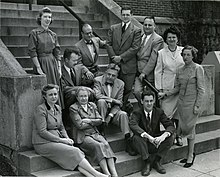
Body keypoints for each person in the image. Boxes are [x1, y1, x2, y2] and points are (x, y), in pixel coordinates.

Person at [32, 84, 108, 177]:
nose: (54, 97)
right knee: (74, 152)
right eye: (50, 95)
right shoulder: (41, 109)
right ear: (45, 96)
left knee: (74, 151)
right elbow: (42, 131)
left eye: (55, 94)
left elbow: (61, 127)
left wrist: (67, 138)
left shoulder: (58, 108)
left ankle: (91, 176)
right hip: (43, 143)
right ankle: (97, 174)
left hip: (57, 139)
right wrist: (61, 140)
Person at [159, 45, 205, 168]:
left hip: (192, 104)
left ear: (193, 56)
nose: (185, 57)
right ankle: (189, 154)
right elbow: (178, 87)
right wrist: (166, 93)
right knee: (183, 129)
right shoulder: (180, 69)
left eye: (188, 55)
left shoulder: (198, 68)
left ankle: (190, 155)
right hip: (181, 104)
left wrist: (197, 106)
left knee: (190, 130)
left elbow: (201, 89)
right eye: (184, 55)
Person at [69, 87, 118, 177]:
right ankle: (106, 173)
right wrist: (94, 121)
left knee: (106, 144)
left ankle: (114, 174)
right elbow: (80, 125)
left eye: (85, 96)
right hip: (83, 136)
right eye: (81, 96)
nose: (84, 98)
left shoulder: (92, 105)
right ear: (77, 97)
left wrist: (89, 120)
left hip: (94, 133)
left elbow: (100, 120)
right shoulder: (73, 108)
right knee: (98, 145)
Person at [93, 63, 136, 156]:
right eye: (108, 74)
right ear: (105, 73)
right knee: (101, 101)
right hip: (100, 111)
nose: (110, 77)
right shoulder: (97, 80)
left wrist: (110, 115)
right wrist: (113, 100)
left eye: (113, 76)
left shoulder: (120, 84)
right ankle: (102, 128)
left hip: (112, 111)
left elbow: (119, 103)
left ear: (116, 76)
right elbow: (97, 95)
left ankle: (128, 140)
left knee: (123, 114)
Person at [129, 90, 175, 176]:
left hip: (155, 142)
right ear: (142, 101)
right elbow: (133, 125)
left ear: (154, 101)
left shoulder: (159, 112)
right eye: (146, 101)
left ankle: (157, 161)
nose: (149, 103)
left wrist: (163, 137)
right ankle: (147, 162)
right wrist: (148, 136)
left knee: (171, 136)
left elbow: (170, 126)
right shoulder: (137, 112)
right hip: (143, 144)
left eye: (151, 101)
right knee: (136, 137)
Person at [154, 26, 185, 146]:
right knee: (167, 115)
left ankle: (179, 135)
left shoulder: (183, 51)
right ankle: (170, 136)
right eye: (169, 37)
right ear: (166, 40)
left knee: (179, 114)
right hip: (166, 88)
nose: (171, 39)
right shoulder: (161, 53)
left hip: (181, 87)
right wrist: (159, 88)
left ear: (177, 39)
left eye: (174, 37)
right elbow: (158, 71)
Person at [107, 5, 141, 110]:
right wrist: (114, 57)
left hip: (128, 66)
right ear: (120, 15)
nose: (125, 16)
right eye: (123, 14)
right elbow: (108, 44)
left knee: (126, 90)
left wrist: (120, 57)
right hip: (114, 65)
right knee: (112, 89)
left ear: (131, 15)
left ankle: (122, 111)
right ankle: (112, 111)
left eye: (127, 15)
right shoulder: (113, 28)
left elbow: (135, 48)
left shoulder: (136, 30)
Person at [28, 7, 63, 107]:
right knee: (45, 89)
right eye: (45, 17)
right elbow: (32, 51)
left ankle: (56, 114)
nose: (48, 19)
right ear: (40, 18)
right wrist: (38, 68)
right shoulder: (34, 33)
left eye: (49, 17)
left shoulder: (53, 34)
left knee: (54, 90)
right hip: (41, 62)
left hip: (52, 63)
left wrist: (59, 68)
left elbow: (57, 52)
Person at [134, 16, 164, 104]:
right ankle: (145, 109)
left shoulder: (158, 39)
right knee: (137, 92)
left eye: (150, 25)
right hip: (138, 72)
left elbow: (153, 58)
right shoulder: (140, 36)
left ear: (154, 26)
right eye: (145, 24)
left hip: (150, 73)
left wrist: (144, 72)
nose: (147, 27)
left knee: (152, 95)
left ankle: (152, 112)